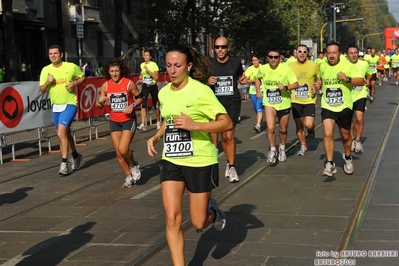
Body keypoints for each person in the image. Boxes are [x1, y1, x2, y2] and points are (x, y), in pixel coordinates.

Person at [146, 44, 232, 266]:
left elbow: (226, 122)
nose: (172, 70)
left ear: (189, 66)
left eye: (178, 66)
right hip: (172, 160)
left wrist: (194, 124)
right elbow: (169, 118)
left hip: (200, 161)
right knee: (172, 218)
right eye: (168, 65)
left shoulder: (201, 91)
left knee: (199, 223)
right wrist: (156, 136)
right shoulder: (164, 92)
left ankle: (213, 211)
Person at [316, 42, 365, 176]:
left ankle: (348, 157)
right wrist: (317, 84)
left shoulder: (347, 65)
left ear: (339, 53)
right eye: (329, 53)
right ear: (326, 54)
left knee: (345, 135)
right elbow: (319, 79)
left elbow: (362, 81)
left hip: (344, 106)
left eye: (334, 53)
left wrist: (348, 79)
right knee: (327, 134)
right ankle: (330, 163)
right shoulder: (322, 66)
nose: (332, 55)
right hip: (327, 105)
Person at [39, 44, 86, 175]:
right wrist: (48, 82)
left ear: (61, 54)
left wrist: (74, 84)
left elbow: (82, 77)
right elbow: (42, 90)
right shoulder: (45, 70)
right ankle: (76, 156)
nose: (53, 56)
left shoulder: (71, 66)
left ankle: (64, 163)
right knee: (64, 134)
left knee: (60, 134)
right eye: (50, 54)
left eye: (55, 53)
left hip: (70, 104)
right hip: (56, 106)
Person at [96, 58, 143, 188]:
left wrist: (132, 105)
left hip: (128, 119)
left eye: (117, 71)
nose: (115, 74)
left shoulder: (129, 83)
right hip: (114, 121)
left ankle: (134, 165)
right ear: (108, 72)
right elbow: (99, 106)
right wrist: (100, 101)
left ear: (121, 71)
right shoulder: (105, 86)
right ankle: (129, 176)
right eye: (112, 71)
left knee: (123, 149)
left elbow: (140, 98)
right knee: (118, 152)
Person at [207, 37, 246, 183]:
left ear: (228, 48)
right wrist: (207, 80)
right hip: (214, 103)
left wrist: (244, 79)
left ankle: (231, 166)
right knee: (222, 136)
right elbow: (199, 79)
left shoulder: (235, 62)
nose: (220, 50)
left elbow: (240, 77)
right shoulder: (209, 63)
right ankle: (227, 162)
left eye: (223, 47)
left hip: (232, 102)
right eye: (217, 47)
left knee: (229, 135)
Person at [255, 48, 299, 165]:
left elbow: (296, 84)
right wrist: (258, 91)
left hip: (283, 102)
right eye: (271, 57)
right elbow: (257, 78)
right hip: (269, 102)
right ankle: (272, 149)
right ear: (267, 57)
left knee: (282, 129)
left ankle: (282, 148)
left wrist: (285, 88)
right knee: (270, 128)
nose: (273, 59)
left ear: (279, 58)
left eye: (276, 57)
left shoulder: (286, 68)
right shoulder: (263, 68)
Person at [288, 44, 320, 156]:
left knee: (308, 124)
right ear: (295, 53)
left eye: (304, 52)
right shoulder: (290, 66)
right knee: (299, 125)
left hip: (309, 100)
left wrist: (316, 86)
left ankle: (311, 130)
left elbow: (319, 79)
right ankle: (303, 145)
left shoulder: (313, 65)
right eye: (300, 51)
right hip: (295, 99)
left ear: (307, 54)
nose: (302, 54)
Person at [346, 45, 372, 154]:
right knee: (350, 120)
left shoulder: (364, 64)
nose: (353, 55)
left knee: (359, 118)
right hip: (348, 95)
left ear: (358, 53)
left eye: (355, 52)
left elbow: (369, 74)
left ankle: (358, 140)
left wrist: (367, 81)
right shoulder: (343, 65)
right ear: (347, 55)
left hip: (360, 94)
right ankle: (352, 139)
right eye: (351, 53)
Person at [137, 49, 161, 131]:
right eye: (144, 55)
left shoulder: (153, 64)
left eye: (147, 55)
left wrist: (148, 70)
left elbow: (156, 77)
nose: (145, 57)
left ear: (150, 56)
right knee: (143, 103)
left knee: (155, 104)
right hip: (145, 86)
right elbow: (141, 73)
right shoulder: (142, 64)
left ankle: (158, 121)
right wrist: (140, 76)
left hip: (153, 85)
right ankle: (143, 123)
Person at [244, 53, 263, 133]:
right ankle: (259, 122)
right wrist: (253, 80)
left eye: (256, 60)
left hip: (262, 90)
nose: (254, 62)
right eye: (253, 61)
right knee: (256, 108)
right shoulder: (250, 69)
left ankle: (258, 125)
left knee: (259, 107)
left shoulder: (263, 68)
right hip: (253, 91)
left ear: (259, 60)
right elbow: (245, 80)